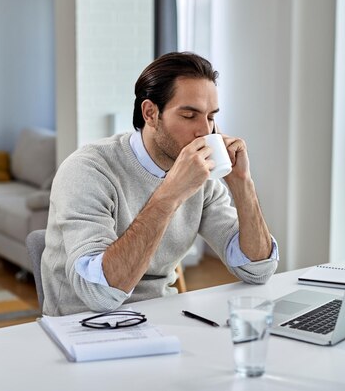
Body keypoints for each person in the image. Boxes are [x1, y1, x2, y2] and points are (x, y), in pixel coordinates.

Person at [41, 52, 278, 316]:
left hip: (161, 319)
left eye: (211, 117)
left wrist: (242, 184)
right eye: (189, 116)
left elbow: (258, 269)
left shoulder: (203, 180)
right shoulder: (88, 170)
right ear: (150, 113)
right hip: (83, 325)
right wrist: (170, 194)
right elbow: (99, 295)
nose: (205, 131)